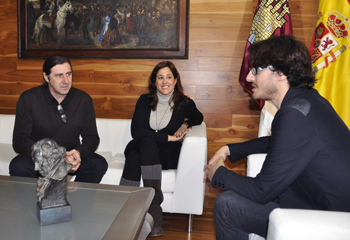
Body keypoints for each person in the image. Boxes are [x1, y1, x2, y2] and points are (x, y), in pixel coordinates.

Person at [204, 35, 350, 240]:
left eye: (256, 70)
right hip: (323, 205)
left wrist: (217, 172)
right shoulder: (307, 101)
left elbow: (261, 191)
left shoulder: (294, 114)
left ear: (281, 73)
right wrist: (230, 149)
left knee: (227, 205)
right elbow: (279, 143)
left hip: (329, 219)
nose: (248, 78)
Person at [119, 61, 203, 237]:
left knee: (135, 156)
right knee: (145, 142)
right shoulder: (145, 100)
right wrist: (168, 137)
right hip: (145, 144)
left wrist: (185, 123)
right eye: (160, 77)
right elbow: (136, 131)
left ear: (175, 80)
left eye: (169, 77)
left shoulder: (184, 103)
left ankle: (124, 211)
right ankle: (154, 211)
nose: (165, 81)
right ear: (154, 81)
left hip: (165, 153)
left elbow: (199, 117)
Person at [10, 54, 108, 184]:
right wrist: (51, 156)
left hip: (70, 158)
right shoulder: (29, 99)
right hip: (42, 158)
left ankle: (77, 200)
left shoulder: (83, 100)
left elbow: (92, 137)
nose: (66, 81)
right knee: (18, 165)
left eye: (68, 74)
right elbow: (20, 140)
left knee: (98, 163)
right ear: (46, 77)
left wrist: (79, 153)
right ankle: (34, 203)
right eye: (59, 75)